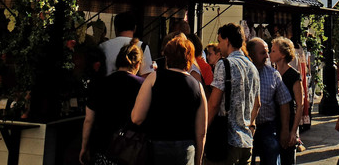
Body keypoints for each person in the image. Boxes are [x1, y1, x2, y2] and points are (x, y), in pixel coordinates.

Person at [132, 33, 207, 165]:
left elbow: (137, 117)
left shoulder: (154, 78)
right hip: (185, 150)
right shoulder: (197, 86)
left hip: (156, 146)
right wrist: (198, 159)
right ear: (189, 59)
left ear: (167, 57)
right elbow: (201, 132)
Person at [80, 40, 143, 165]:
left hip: (103, 146)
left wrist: (84, 147)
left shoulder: (100, 84)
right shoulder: (142, 86)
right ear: (137, 65)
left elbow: (89, 119)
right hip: (130, 150)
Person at [205, 23, 261, 165]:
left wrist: (203, 129)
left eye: (219, 41)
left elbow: (214, 104)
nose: (218, 45)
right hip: (246, 142)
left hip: (225, 141)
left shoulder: (224, 64)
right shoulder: (252, 67)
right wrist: (250, 125)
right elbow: (257, 103)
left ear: (227, 41)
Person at [246, 38, 289, 165]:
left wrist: (285, 130)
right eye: (262, 53)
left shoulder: (273, 74)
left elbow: (284, 102)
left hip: (267, 127)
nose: (267, 56)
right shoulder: (244, 73)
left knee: (272, 155)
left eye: (267, 52)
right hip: (246, 127)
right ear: (251, 54)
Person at [270, 37, 303, 165]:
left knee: (288, 158)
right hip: (274, 122)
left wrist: (294, 131)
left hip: (289, 123)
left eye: (273, 51)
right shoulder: (272, 73)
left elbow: (299, 105)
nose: (270, 54)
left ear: (282, 54)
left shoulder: (294, 75)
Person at [100, 11, 154, 77]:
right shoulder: (142, 47)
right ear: (135, 28)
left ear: (115, 28)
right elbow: (146, 76)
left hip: (107, 86)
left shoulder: (103, 46)